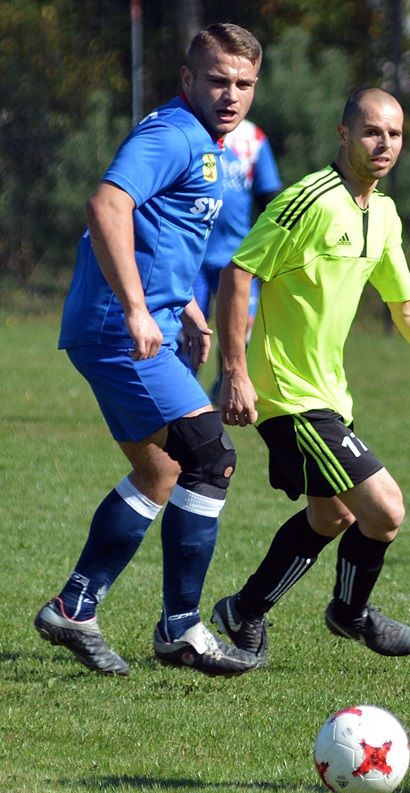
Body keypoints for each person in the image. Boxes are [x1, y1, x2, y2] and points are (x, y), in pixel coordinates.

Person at [211, 88, 410, 661]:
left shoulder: (382, 212)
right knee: (384, 509)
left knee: (333, 513)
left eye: (395, 134)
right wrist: (234, 371)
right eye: (372, 132)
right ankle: (349, 611)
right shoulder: (308, 201)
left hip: (330, 392)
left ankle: (244, 610)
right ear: (343, 135)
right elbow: (239, 275)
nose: (385, 144)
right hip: (287, 392)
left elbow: (406, 306)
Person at [37, 23, 266, 678]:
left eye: (243, 84)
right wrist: (140, 308)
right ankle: (181, 627)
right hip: (120, 328)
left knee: (161, 472)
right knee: (209, 454)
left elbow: (155, 230)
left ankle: (73, 608)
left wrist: (185, 305)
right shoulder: (171, 135)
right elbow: (107, 205)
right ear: (187, 80)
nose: (230, 95)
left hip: (137, 323)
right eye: (217, 80)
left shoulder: (208, 142)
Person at [176, 118, 282, 395]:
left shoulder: (254, 137)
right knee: (187, 330)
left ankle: (227, 386)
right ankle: (183, 393)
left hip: (238, 257)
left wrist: (269, 250)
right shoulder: (186, 132)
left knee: (241, 326)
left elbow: (269, 198)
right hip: (190, 256)